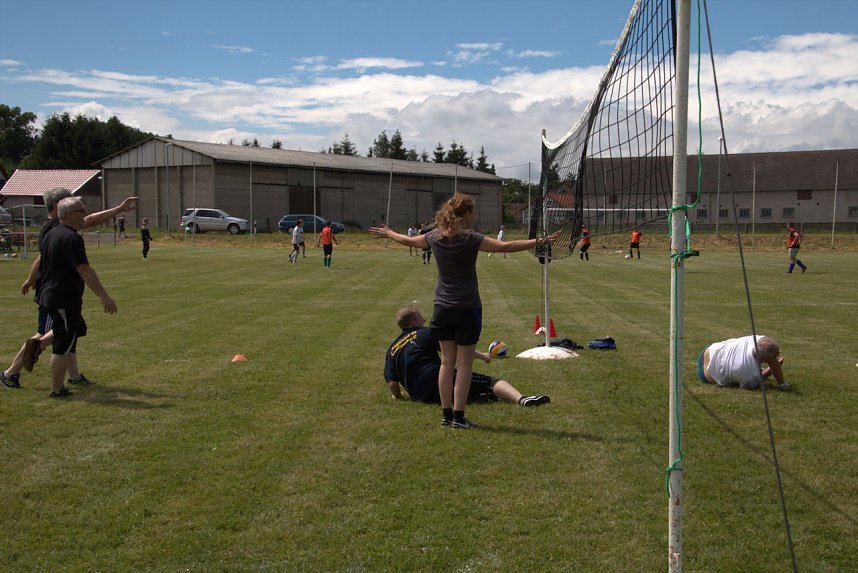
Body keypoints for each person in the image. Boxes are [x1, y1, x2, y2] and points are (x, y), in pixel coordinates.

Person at [369, 193, 560, 429]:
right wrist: (539, 241)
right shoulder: (471, 239)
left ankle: (446, 415)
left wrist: (389, 233)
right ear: (467, 214)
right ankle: (458, 417)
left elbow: (409, 242)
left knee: (446, 363)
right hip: (467, 308)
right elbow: (506, 247)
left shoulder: (434, 237)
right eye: (473, 213)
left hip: (442, 309)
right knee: (465, 365)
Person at [2, 188, 136, 390]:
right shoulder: (52, 228)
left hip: (56, 291)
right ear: (59, 207)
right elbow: (40, 260)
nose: (82, 212)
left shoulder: (60, 226)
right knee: (47, 334)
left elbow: (89, 220)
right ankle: (10, 373)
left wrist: (118, 208)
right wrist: (30, 280)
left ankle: (73, 375)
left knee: (73, 330)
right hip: (55, 292)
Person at [385, 306, 550, 407]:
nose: (425, 318)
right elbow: (456, 351)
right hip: (437, 379)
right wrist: (483, 356)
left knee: (472, 391)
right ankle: (522, 399)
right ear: (413, 322)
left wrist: (398, 397)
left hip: (420, 396)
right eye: (421, 317)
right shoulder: (424, 333)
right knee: (491, 382)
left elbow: (392, 383)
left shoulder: (392, 349)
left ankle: (483, 397)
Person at [38, 197, 118, 398]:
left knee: (72, 332)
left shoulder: (52, 233)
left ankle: (37, 346)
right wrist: (104, 297)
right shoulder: (72, 238)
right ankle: (56, 389)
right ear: (69, 214)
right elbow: (84, 270)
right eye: (82, 211)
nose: (85, 215)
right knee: (63, 344)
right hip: (62, 297)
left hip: (50, 294)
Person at [697, 335, 790, 390]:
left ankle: (782, 383)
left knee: (769, 353)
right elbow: (755, 381)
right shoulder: (747, 372)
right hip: (706, 374)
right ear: (764, 359)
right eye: (774, 357)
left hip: (711, 349)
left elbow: (769, 351)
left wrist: (782, 383)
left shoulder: (759, 338)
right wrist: (769, 371)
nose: (777, 357)